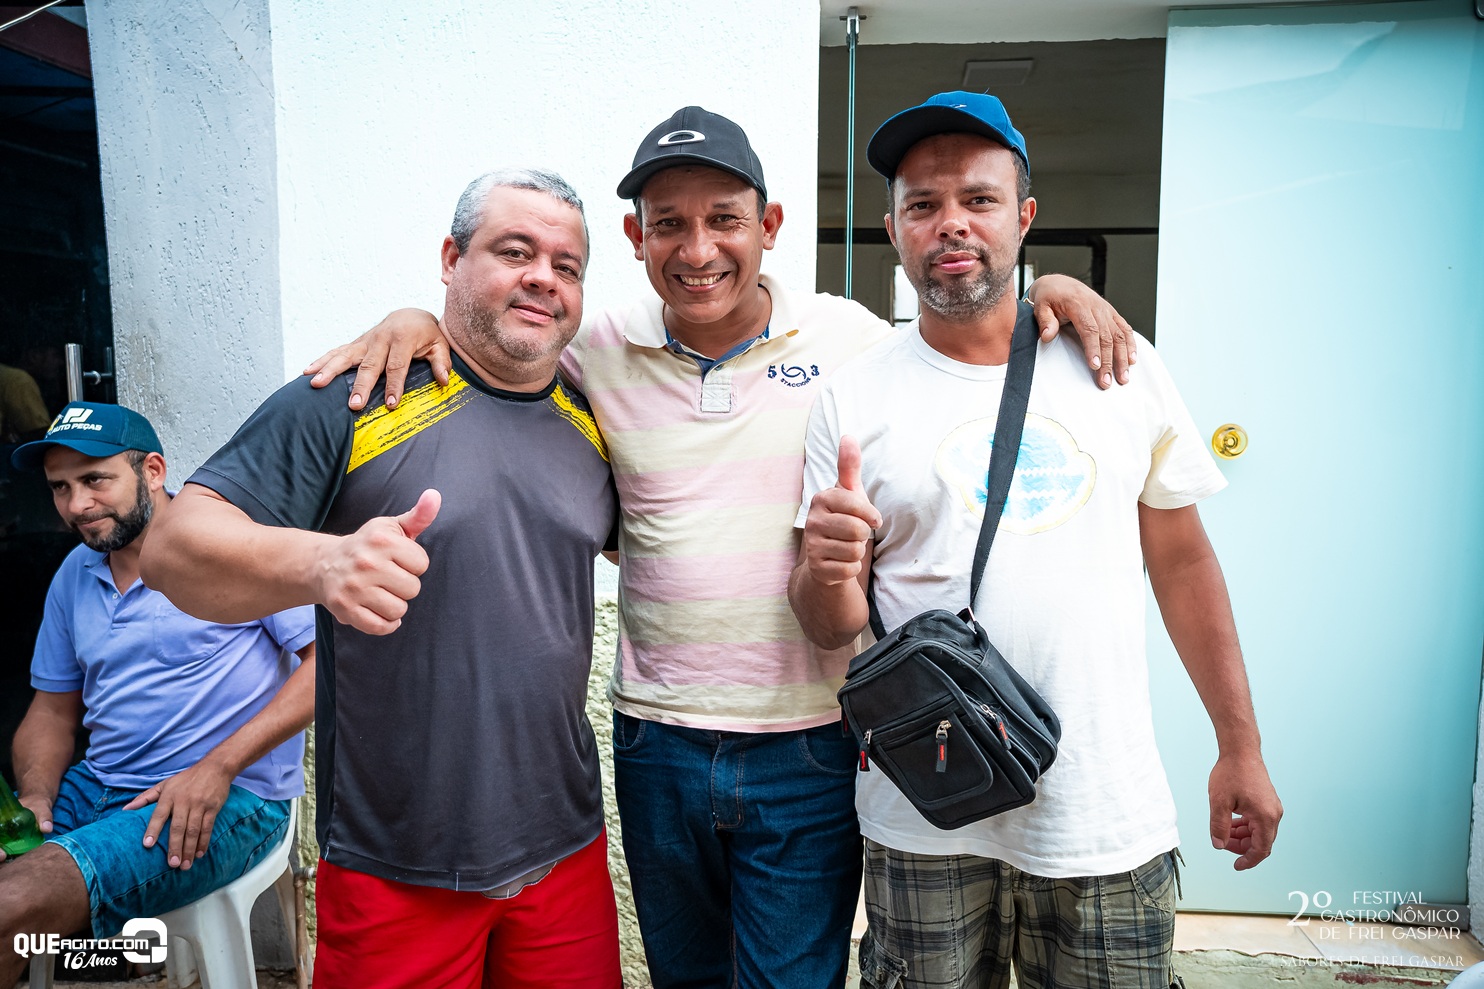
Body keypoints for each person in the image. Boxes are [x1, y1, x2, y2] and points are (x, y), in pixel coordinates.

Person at [305, 106, 1139, 989]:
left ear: (769, 226)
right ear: (636, 238)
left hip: (809, 740)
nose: (697, 249)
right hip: (656, 740)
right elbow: (501, 344)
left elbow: (958, 343)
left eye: (725, 220)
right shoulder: (597, 347)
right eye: (669, 223)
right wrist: (414, 317)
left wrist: (1050, 292)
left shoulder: (850, 340)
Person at [789, 91, 1284, 989]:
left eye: (978, 199)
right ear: (892, 230)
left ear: (1023, 218)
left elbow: (1183, 564)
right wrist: (825, 569)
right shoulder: (851, 398)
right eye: (923, 204)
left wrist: (1239, 744)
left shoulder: (1119, 365)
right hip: (924, 813)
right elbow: (832, 625)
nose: (951, 223)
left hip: (1104, 814)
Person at [139, 169, 622, 989]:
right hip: (395, 861)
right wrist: (322, 563)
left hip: (564, 851)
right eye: (515, 251)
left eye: (566, 265)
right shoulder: (358, 394)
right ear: (451, 259)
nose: (544, 277)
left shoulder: (596, 415)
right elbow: (172, 551)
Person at [0, 401, 315, 987]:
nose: (77, 505)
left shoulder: (234, 546)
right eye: (60, 488)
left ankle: (116, 953)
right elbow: (50, 712)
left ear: (152, 471)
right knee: (15, 905)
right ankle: (114, 956)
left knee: (11, 906)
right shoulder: (75, 573)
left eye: (95, 480)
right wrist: (36, 796)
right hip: (98, 786)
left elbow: (327, 669)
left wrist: (217, 767)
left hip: (231, 798)